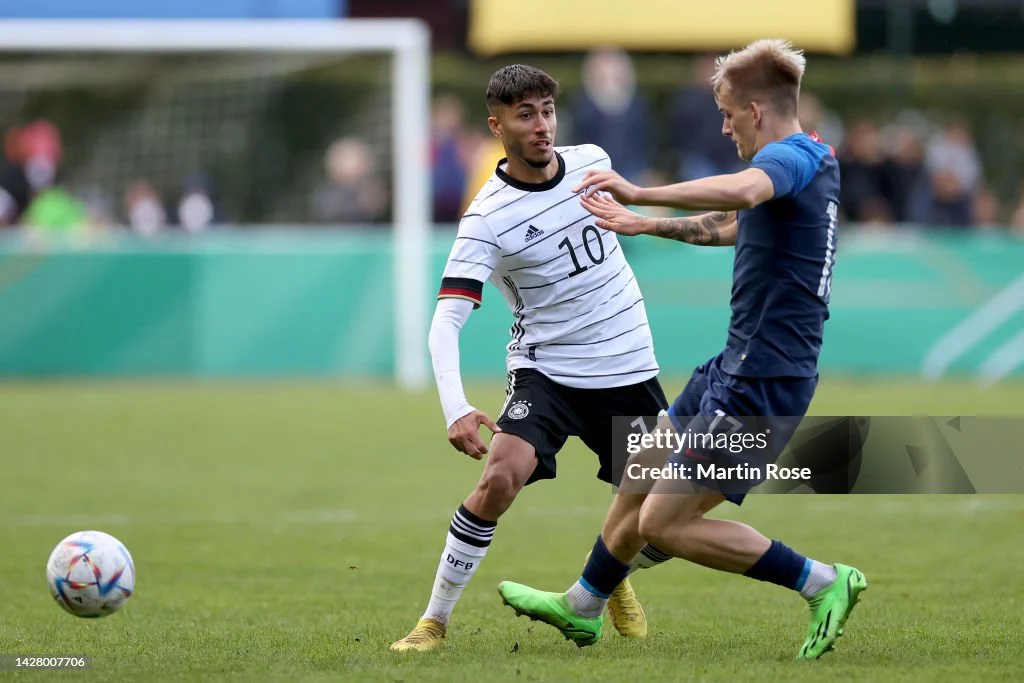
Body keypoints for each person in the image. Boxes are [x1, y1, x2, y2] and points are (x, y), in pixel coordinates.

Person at [497, 39, 867, 660]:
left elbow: (744, 193)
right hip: (732, 366)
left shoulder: (788, 158)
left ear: (755, 110)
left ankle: (822, 581)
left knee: (662, 523)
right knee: (637, 475)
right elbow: (735, 225)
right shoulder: (811, 160)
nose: (723, 127)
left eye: (727, 114)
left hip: (764, 384)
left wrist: (641, 194)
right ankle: (584, 605)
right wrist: (647, 225)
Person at [391, 64, 675, 652]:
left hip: (627, 363)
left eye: (547, 111)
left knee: (668, 519)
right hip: (547, 371)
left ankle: (607, 575)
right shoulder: (486, 218)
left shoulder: (592, 162)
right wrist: (455, 407)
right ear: (497, 126)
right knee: (500, 477)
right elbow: (446, 321)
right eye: (525, 115)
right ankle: (433, 622)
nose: (542, 125)